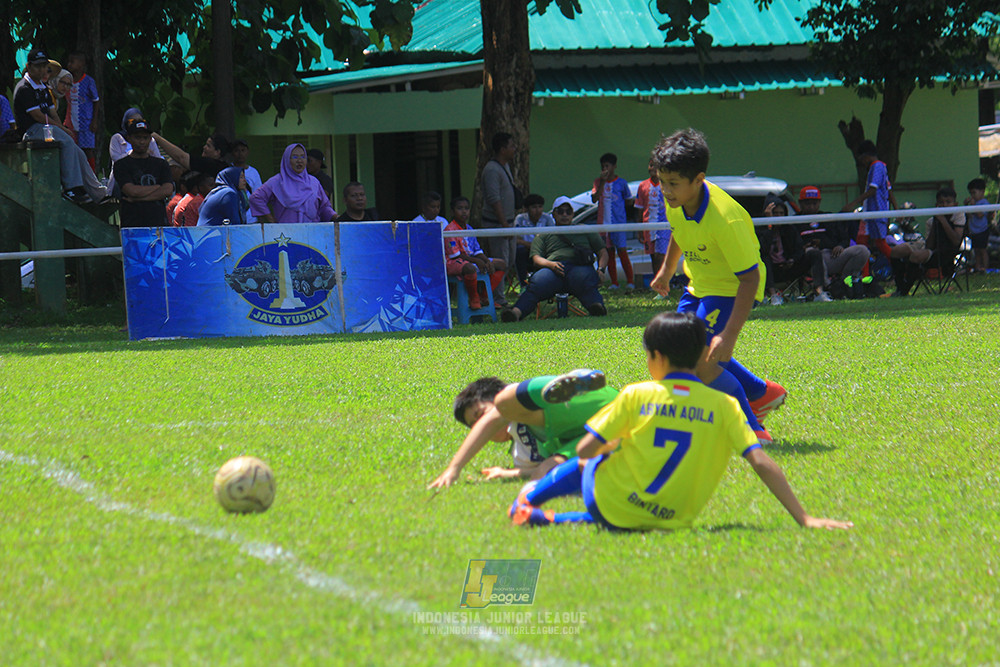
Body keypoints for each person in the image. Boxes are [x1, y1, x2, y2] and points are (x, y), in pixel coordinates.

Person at [507, 312, 853, 532]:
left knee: (601, 455)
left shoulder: (636, 394)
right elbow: (761, 462)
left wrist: (611, 439)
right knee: (633, 512)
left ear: (656, 357)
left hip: (610, 502)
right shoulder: (725, 404)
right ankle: (548, 518)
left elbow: (584, 450)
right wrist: (804, 518)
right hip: (673, 519)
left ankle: (531, 500)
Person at [648, 128, 785, 445]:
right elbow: (679, 233)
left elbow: (749, 278)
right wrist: (666, 272)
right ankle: (760, 392)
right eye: (661, 181)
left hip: (731, 288)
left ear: (698, 179)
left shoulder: (726, 218)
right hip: (698, 285)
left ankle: (753, 430)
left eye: (672, 184)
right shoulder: (676, 198)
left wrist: (729, 335)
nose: (665, 191)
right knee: (679, 350)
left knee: (701, 361)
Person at [427, 370, 619, 489]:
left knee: (504, 402)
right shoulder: (520, 453)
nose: (481, 428)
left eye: (480, 415)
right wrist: (507, 473)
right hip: (606, 428)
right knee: (544, 472)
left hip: (584, 402)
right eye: (474, 425)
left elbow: (493, 418)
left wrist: (453, 469)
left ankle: (577, 380)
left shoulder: (508, 409)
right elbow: (533, 470)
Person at [12, 49, 106, 204]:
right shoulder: (24, 88)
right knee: (67, 142)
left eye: (44, 66)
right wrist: (63, 129)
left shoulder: (42, 87)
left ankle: (96, 193)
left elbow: (52, 113)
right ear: (28, 67)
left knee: (78, 151)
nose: (42, 70)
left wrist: (64, 129)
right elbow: (39, 117)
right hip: (31, 130)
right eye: (37, 66)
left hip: (47, 128)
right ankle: (71, 188)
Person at [500, 196, 609, 322]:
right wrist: (550, 265)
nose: (564, 215)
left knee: (585, 282)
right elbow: (536, 258)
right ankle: (515, 313)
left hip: (579, 267)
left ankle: (597, 308)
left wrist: (601, 270)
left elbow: (602, 252)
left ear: (573, 214)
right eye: (560, 211)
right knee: (536, 285)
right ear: (554, 214)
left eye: (568, 211)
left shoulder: (584, 229)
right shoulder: (544, 233)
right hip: (552, 270)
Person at [798, 186, 871, 299]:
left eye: (814, 203)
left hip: (831, 255)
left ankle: (844, 283)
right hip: (809, 260)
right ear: (800, 204)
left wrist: (840, 245)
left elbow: (844, 238)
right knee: (813, 253)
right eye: (807, 203)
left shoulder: (827, 217)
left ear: (820, 202)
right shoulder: (794, 221)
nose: (811, 206)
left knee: (862, 250)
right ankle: (827, 288)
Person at [842, 140, 899, 276]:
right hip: (869, 213)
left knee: (879, 243)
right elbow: (889, 190)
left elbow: (873, 190)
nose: (861, 162)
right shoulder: (881, 167)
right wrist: (896, 209)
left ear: (866, 156)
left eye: (861, 159)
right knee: (862, 242)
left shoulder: (876, 167)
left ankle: (898, 269)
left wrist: (853, 204)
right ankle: (865, 276)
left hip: (875, 212)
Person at [444, 196, 506, 310]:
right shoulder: (449, 230)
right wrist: (476, 261)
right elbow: (455, 255)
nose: (464, 211)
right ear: (452, 211)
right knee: (470, 268)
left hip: (471, 260)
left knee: (501, 263)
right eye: (459, 208)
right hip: (453, 262)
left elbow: (477, 251)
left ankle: (485, 296)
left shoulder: (469, 228)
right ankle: (474, 298)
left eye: (466, 208)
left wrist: (486, 260)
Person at [110, 118, 173, 228]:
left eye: (145, 138)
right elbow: (131, 191)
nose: (142, 141)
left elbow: (167, 190)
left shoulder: (161, 164)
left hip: (159, 225)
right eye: (137, 137)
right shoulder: (121, 165)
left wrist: (138, 199)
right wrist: (158, 187)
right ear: (129, 138)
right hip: (132, 225)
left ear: (150, 139)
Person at [249, 143, 336, 223]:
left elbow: (324, 207)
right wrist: (271, 220)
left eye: (303, 157)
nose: (299, 160)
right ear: (287, 159)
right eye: (295, 157)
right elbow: (256, 198)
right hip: (287, 235)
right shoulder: (277, 181)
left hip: (311, 234)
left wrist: (336, 217)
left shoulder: (314, 182)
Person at [592, 152, 635, 290]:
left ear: (614, 166)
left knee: (622, 251)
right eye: (603, 166)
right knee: (608, 252)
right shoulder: (598, 182)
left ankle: (630, 281)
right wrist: (602, 182)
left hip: (618, 223)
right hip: (603, 224)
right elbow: (594, 199)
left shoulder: (621, 183)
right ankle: (614, 282)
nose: (605, 169)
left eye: (607, 166)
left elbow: (629, 200)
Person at [480, 132, 518, 279]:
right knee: (500, 261)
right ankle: (497, 298)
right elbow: (494, 199)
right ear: (503, 149)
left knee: (509, 260)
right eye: (511, 146)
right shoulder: (492, 170)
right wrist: (503, 225)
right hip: (497, 224)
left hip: (508, 222)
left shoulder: (505, 166)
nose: (514, 149)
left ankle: (499, 296)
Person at [634, 160, 671, 299]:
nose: (652, 168)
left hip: (664, 226)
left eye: (655, 165)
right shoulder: (643, 186)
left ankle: (664, 287)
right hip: (648, 226)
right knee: (653, 258)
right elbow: (639, 209)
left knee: (660, 256)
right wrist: (639, 230)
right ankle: (658, 287)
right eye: (650, 165)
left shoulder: (666, 184)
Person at [64, 51, 101, 173]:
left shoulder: (89, 81)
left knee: (87, 149)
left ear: (81, 64)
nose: (69, 65)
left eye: (72, 62)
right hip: (70, 122)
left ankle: (91, 173)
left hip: (86, 122)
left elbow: (96, 101)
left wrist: (94, 121)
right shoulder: (67, 81)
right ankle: (76, 174)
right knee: (72, 148)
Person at [512, 193, 555, 288]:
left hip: (544, 251)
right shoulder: (520, 219)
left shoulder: (547, 218)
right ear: (527, 209)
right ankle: (523, 285)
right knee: (519, 251)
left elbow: (553, 238)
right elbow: (516, 240)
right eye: (534, 207)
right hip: (526, 253)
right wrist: (532, 245)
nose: (537, 210)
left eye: (540, 207)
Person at [153, 130, 230, 179]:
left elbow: (181, 157)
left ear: (217, 152)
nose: (204, 147)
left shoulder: (211, 165)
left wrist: (158, 139)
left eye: (208, 146)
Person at [231, 139, 262, 223]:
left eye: (243, 150)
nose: (240, 154)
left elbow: (258, 197)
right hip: (233, 219)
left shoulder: (254, 172)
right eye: (236, 150)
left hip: (251, 219)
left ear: (247, 152)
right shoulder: (228, 171)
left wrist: (260, 219)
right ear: (232, 153)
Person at [965, 178, 991, 273]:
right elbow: (969, 215)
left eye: (974, 193)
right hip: (974, 231)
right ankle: (977, 267)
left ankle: (985, 268)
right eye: (971, 193)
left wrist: (973, 205)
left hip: (982, 230)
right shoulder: (974, 204)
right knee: (976, 250)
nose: (972, 195)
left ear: (982, 192)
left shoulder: (984, 203)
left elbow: (980, 215)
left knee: (982, 250)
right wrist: (967, 206)